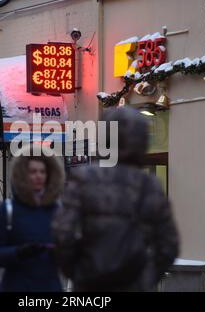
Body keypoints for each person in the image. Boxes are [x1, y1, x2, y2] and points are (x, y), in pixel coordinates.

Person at [52, 106, 179, 292]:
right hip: (133, 283)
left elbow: (62, 234)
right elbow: (168, 245)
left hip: (90, 284)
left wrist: (78, 272)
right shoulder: (148, 185)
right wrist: (146, 278)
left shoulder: (83, 178)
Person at [0, 150, 65, 292]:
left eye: (42, 171)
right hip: (17, 285)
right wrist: (19, 252)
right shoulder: (8, 209)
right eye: (33, 171)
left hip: (50, 286)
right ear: (23, 175)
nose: (39, 176)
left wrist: (62, 251)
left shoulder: (58, 210)